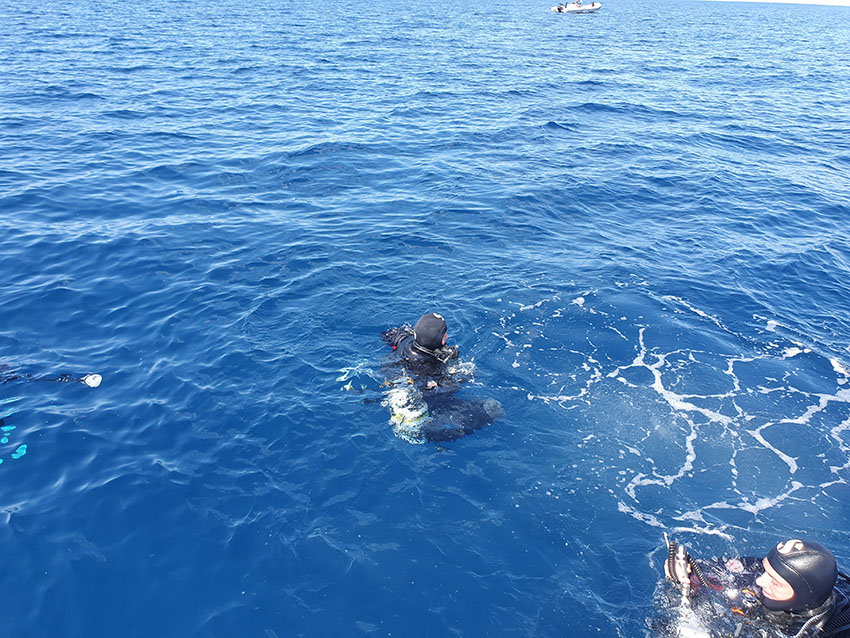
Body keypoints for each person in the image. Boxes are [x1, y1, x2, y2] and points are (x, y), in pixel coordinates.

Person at [662, 536, 850, 637]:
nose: (760, 580)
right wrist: (687, 573)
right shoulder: (787, 577)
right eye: (766, 569)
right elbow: (720, 570)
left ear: (802, 595)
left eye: (774, 581)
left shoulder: (826, 631)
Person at [380, 312, 503, 443]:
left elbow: (388, 334)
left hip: (392, 376)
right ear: (435, 340)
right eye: (444, 334)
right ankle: (431, 437)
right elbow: (443, 391)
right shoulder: (428, 365)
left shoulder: (406, 340)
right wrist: (463, 376)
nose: (447, 336)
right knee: (490, 412)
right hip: (416, 396)